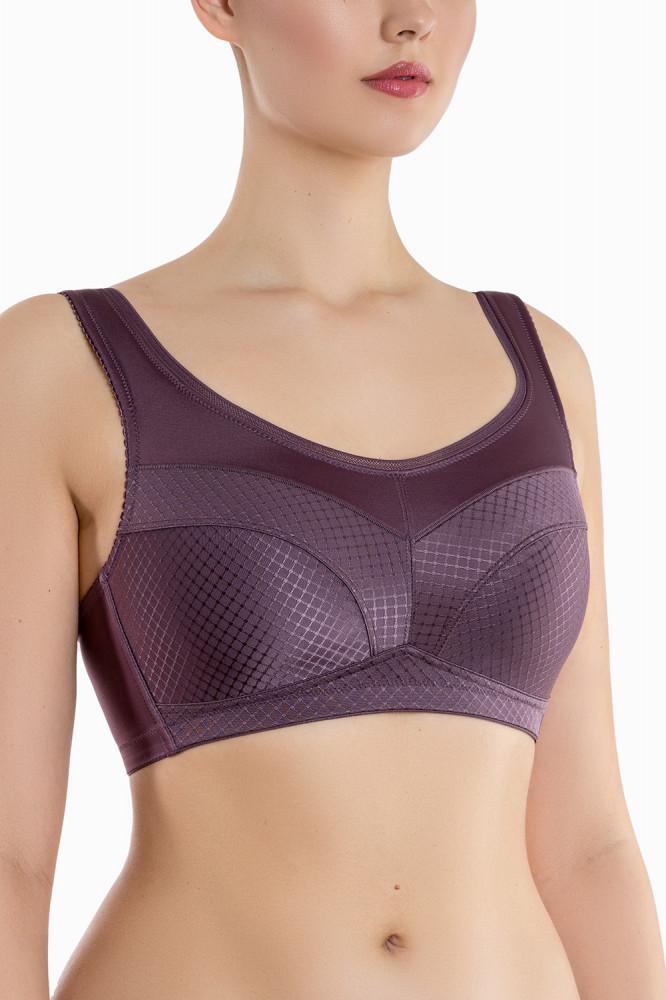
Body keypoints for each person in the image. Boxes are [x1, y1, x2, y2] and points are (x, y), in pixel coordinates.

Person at [1, 1, 665, 998]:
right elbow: (10, 860)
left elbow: (590, 845)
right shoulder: (62, 367)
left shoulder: (547, 367)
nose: (412, 19)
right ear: (220, 5)